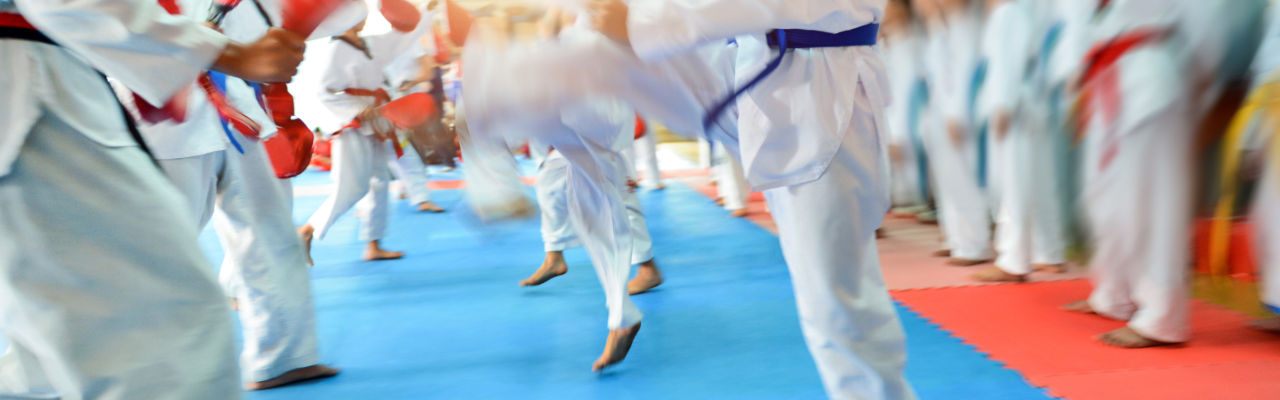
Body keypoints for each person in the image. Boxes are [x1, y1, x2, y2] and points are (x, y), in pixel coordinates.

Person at [585, 1, 917, 398]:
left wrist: (644, 23)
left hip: (822, 90)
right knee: (830, 294)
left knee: (837, 298)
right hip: (772, 75)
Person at [0, 0, 306, 397]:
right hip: (33, 82)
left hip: (53, 72)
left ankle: (282, 354)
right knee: (162, 319)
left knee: (68, 319)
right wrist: (226, 52)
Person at [119, 0, 356, 389]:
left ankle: (282, 358)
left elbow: (336, 15)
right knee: (159, 251)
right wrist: (204, 43)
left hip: (235, 112)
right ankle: (69, 369)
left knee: (271, 232)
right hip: (161, 112)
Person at [1060, 0, 1198, 348]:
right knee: (1105, 199)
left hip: (1150, 81)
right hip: (1111, 79)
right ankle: (1115, 292)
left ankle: (1163, 316)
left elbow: (1200, 29)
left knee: (1151, 206)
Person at [298, 12, 433, 264]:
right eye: (358, 14)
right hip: (351, 126)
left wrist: (427, 10)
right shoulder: (336, 50)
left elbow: (401, 38)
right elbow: (323, 91)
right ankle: (307, 230)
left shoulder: (369, 43)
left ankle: (373, 244)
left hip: (377, 120)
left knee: (380, 182)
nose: (364, 18)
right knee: (352, 188)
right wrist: (355, 111)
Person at [969, 0, 1067, 282]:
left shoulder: (1008, 11)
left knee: (1012, 185)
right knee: (1039, 183)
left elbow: (1007, 60)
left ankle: (1013, 260)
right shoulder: (1028, 8)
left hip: (1014, 107)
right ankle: (1049, 252)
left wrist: (1002, 104)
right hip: (1033, 102)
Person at [918, 0, 995, 266]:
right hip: (940, 112)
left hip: (959, 114)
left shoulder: (967, 27)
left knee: (964, 180)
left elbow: (967, 74)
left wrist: (956, 112)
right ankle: (957, 239)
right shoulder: (943, 29)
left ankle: (975, 244)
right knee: (949, 182)